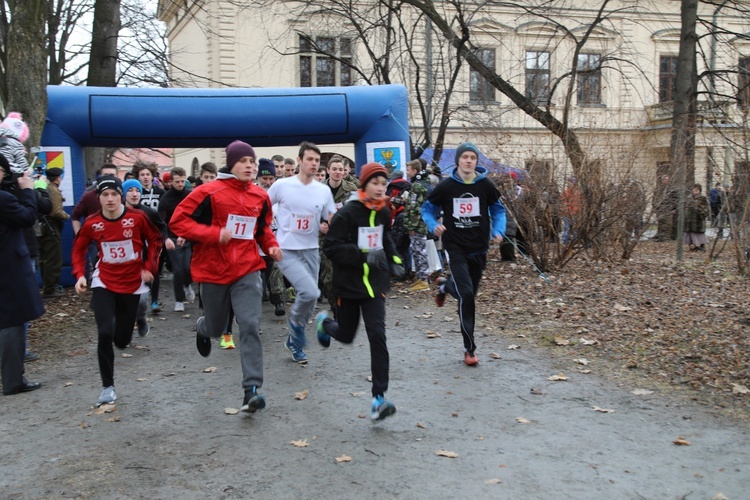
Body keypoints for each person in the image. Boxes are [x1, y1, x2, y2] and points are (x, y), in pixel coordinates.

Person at [170, 140, 281, 413]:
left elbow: (262, 229)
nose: (250, 166)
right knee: (218, 327)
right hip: (213, 270)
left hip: (247, 268)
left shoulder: (260, 196)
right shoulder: (207, 192)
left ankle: (251, 390)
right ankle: (203, 327)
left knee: (250, 324)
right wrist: (213, 234)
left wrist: (271, 245)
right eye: (244, 161)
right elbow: (177, 221)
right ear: (232, 164)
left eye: (252, 162)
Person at [316, 162, 405, 420]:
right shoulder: (348, 213)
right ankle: (325, 324)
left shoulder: (383, 212)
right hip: (349, 285)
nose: (380, 188)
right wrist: (361, 255)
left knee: (377, 334)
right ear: (363, 184)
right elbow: (331, 248)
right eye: (375, 183)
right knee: (345, 335)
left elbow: (384, 238)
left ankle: (379, 398)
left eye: (383, 184)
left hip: (375, 285)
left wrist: (396, 261)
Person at [72, 176, 163, 406]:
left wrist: (148, 267)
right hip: (103, 281)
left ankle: (131, 326)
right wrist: (80, 275)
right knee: (104, 333)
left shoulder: (138, 217)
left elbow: (155, 240)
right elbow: (78, 249)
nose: (110, 199)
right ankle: (107, 387)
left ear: (121, 196)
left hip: (132, 282)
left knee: (121, 340)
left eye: (114, 194)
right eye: (105, 195)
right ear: (98, 198)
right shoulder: (92, 222)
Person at [421, 142, 506, 366]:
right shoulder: (447, 186)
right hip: (455, 247)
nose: (469, 161)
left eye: (472, 157)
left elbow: (498, 210)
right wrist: (432, 225)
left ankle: (444, 285)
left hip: (479, 248)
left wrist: (498, 230)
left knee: (468, 296)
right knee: (466, 295)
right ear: (458, 160)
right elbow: (427, 208)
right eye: (465, 157)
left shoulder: (485, 185)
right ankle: (469, 348)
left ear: (476, 162)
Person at [268, 141, 336, 363]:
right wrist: (265, 236)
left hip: (311, 250)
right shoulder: (282, 186)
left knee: (311, 301)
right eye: (310, 159)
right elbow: (262, 207)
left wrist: (327, 225)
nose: (314, 164)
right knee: (310, 293)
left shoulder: (323, 190)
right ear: (299, 161)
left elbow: (330, 217)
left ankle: (293, 342)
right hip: (286, 249)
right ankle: (296, 328)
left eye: (317, 160)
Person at [0, 155, 43, 396]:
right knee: (11, 323)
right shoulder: (3, 199)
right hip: (8, 268)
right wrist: (27, 191)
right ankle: (13, 380)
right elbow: (27, 217)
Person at [122, 178, 174, 337]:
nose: (134, 193)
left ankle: (141, 317)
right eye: (130, 190)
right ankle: (124, 328)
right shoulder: (116, 213)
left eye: (137, 190)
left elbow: (161, 225)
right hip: (122, 261)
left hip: (143, 257)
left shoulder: (148, 212)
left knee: (142, 299)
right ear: (123, 194)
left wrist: (165, 238)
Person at [319, 155, 358, 319]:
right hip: (325, 239)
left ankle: (344, 309)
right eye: (334, 169)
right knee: (329, 278)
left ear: (345, 171)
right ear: (328, 170)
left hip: (344, 239)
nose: (337, 172)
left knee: (345, 276)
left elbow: (357, 214)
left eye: (340, 169)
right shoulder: (318, 189)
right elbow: (309, 211)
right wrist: (319, 224)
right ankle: (336, 308)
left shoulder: (352, 189)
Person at [71, 163, 120, 281]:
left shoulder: (121, 194)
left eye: (112, 175)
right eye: (106, 175)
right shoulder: (89, 196)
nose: (109, 178)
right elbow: (75, 216)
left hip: (118, 239)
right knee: (101, 271)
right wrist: (80, 236)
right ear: (99, 177)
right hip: (95, 241)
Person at [158, 167, 195, 312]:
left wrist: (187, 234)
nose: (180, 184)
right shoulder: (166, 199)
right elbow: (161, 222)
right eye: (177, 182)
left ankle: (187, 284)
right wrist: (166, 238)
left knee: (188, 268)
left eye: (182, 181)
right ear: (171, 182)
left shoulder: (189, 195)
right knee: (178, 270)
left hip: (187, 236)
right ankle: (179, 300)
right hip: (172, 238)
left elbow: (194, 215)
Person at [132, 162, 166, 313]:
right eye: (142, 175)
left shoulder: (160, 192)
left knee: (154, 267)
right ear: (138, 177)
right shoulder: (134, 193)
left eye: (148, 174)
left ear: (152, 176)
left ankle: (154, 301)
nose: (145, 177)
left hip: (155, 233)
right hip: (139, 234)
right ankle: (140, 296)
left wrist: (166, 235)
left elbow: (165, 212)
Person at [257, 159, 286, 317]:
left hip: (275, 240)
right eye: (265, 178)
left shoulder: (281, 193)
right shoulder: (252, 192)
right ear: (259, 177)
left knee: (275, 269)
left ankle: (278, 300)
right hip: (255, 243)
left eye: (271, 179)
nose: (268, 182)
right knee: (257, 277)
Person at [38, 167, 70, 298]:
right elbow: (56, 212)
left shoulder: (44, 188)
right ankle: (51, 289)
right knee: (53, 258)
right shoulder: (54, 191)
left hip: (42, 226)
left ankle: (48, 286)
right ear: (58, 178)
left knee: (44, 258)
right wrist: (67, 216)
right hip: (51, 227)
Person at [404, 159, 431, 291]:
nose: (407, 172)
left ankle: (423, 280)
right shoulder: (422, 183)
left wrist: (411, 226)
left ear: (415, 171)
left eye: (408, 170)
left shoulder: (417, 186)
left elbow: (415, 208)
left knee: (419, 251)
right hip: (421, 224)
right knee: (417, 250)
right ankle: (421, 277)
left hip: (418, 225)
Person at [684, 183, 710, 252]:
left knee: (698, 234)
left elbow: (706, 209)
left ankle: (701, 246)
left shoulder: (702, 198)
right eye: (694, 189)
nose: (695, 191)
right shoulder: (689, 198)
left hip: (698, 219)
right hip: (689, 220)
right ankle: (692, 246)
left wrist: (700, 211)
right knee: (690, 233)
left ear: (699, 190)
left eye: (697, 190)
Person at [560, 176, 582, 244]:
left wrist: (576, 211)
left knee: (574, 228)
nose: (568, 183)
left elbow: (578, 204)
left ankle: (573, 242)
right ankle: (565, 242)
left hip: (574, 214)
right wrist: (566, 209)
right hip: (567, 213)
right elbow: (562, 202)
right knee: (567, 227)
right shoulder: (565, 192)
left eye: (570, 182)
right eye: (568, 182)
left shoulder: (577, 193)